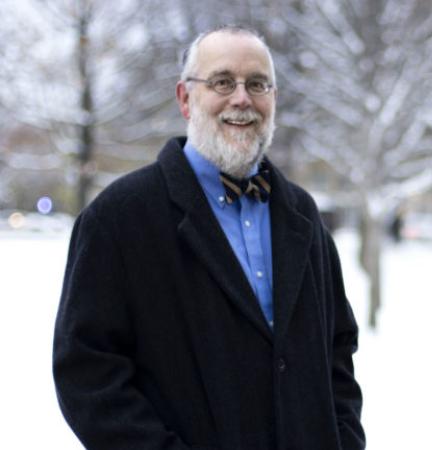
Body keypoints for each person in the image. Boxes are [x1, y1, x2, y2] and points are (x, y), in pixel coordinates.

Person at [53, 25, 365, 450]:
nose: (242, 98)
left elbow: (337, 348)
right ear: (185, 98)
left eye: (258, 84)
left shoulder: (302, 215)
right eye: (222, 82)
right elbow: (87, 373)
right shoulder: (118, 218)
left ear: (273, 99)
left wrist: (342, 439)